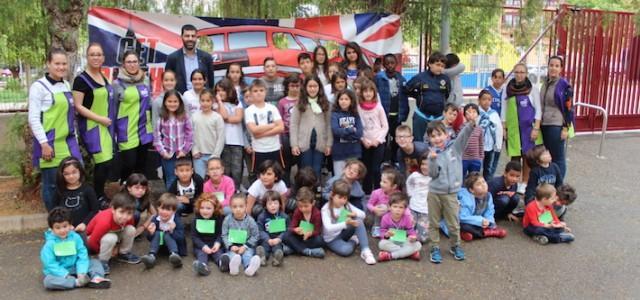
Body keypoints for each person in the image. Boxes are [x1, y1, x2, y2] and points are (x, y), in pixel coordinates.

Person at [29, 48, 81, 211]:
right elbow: (33, 118)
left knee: (73, 179)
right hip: (50, 143)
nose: (61, 67)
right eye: (57, 63)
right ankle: (55, 220)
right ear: (48, 64)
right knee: (52, 184)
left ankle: (69, 217)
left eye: (64, 64)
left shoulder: (65, 84)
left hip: (69, 141)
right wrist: (44, 144)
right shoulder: (38, 87)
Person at [425, 116, 477, 264]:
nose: (437, 139)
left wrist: (471, 123)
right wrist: (433, 160)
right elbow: (432, 174)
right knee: (434, 222)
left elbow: (464, 136)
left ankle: (455, 246)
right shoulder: (431, 155)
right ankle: (434, 247)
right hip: (434, 193)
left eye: (439, 134)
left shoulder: (455, 149)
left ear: (446, 135)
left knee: (453, 223)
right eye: (433, 136)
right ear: (429, 139)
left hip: (451, 193)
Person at [72, 43, 116, 202]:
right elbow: (78, 106)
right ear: (87, 57)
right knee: (103, 162)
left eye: (99, 54)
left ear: (103, 57)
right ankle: (97, 196)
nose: (96, 57)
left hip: (106, 126)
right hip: (92, 127)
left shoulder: (104, 76)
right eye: (92, 54)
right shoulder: (80, 80)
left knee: (107, 162)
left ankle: (99, 193)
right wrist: (99, 119)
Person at [41, 207, 110, 290]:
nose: (62, 230)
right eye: (58, 228)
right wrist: (65, 274)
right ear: (52, 229)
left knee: (95, 262)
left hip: (76, 266)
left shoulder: (76, 237)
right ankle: (76, 282)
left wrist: (81, 272)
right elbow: (50, 264)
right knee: (48, 281)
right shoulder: (50, 244)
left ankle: (97, 278)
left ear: (70, 225)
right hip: (60, 271)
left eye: (65, 226)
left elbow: (82, 254)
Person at [113, 50, 153, 182]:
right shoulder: (117, 84)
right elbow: (113, 109)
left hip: (144, 129)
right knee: (129, 164)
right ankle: (125, 190)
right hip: (127, 130)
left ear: (139, 63)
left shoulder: (146, 79)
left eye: (135, 61)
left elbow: (150, 102)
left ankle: (140, 195)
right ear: (123, 64)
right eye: (129, 62)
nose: (132, 65)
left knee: (141, 166)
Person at [502, 63, 542, 194]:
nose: (519, 75)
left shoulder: (533, 89)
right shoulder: (507, 89)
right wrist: (504, 128)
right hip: (513, 129)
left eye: (522, 72)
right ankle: (513, 181)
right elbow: (504, 109)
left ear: (526, 74)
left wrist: (536, 128)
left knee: (527, 156)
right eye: (517, 72)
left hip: (528, 129)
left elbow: (538, 110)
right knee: (514, 156)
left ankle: (525, 182)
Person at [321, 179, 376, 265]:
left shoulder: (346, 205)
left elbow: (363, 215)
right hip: (332, 239)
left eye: (345, 198)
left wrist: (353, 213)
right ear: (332, 195)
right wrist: (345, 223)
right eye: (339, 197)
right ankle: (354, 240)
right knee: (346, 250)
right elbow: (328, 228)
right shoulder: (326, 209)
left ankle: (365, 250)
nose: (342, 201)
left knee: (358, 220)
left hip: (344, 232)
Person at [86, 192, 140, 274]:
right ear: (113, 209)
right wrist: (104, 251)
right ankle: (102, 261)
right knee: (110, 238)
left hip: (113, 233)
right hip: (92, 239)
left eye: (129, 213)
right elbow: (92, 242)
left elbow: (128, 229)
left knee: (131, 229)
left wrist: (117, 247)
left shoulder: (128, 219)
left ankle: (123, 253)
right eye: (121, 212)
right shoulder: (105, 221)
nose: (125, 217)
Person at [290, 76, 333, 177]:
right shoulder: (300, 104)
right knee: (306, 169)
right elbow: (294, 124)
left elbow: (328, 125)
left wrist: (328, 144)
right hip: (304, 142)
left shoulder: (325, 104)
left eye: (315, 86)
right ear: (305, 88)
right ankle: (305, 192)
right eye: (310, 86)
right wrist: (294, 144)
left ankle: (316, 191)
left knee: (317, 169)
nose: (312, 89)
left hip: (320, 142)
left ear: (319, 87)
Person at [540, 55, 574, 178]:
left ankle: (559, 185)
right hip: (544, 123)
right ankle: (550, 183)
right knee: (547, 155)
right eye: (551, 65)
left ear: (561, 69)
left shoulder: (564, 85)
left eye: (556, 66)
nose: (553, 68)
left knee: (558, 157)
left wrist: (566, 128)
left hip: (556, 125)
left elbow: (569, 108)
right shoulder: (546, 83)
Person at [405, 51, 451, 141]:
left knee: (438, 142)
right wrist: (418, 96)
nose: (440, 68)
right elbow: (406, 89)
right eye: (438, 65)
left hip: (438, 117)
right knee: (419, 143)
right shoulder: (420, 77)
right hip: (421, 116)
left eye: (442, 66)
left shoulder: (445, 79)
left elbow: (446, 94)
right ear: (430, 64)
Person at [153, 89, 193, 189]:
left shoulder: (184, 117)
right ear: (165, 103)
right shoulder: (161, 119)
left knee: (184, 178)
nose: (172, 104)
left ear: (180, 103)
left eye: (175, 101)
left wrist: (185, 150)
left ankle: (184, 200)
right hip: (168, 155)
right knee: (170, 178)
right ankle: (172, 202)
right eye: (169, 101)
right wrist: (163, 152)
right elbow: (157, 138)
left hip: (182, 154)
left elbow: (190, 135)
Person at [244, 79, 285, 174]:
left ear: (265, 92)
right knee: (261, 175)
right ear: (250, 93)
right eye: (255, 91)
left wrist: (260, 134)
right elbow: (254, 130)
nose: (258, 93)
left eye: (261, 90)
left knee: (276, 174)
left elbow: (281, 127)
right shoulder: (249, 110)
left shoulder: (272, 108)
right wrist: (272, 125)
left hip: (274, 148)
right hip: (259, 149)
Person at [375, 54, 409, 163]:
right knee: (383, 139)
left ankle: (395, 160)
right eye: (387, 63)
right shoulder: (379, 78)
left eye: (392, 63)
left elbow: (404, 98)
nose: (390, 65)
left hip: (397, 115)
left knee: (397, 139)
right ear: (384, 65)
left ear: (396, 64)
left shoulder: (401, 79)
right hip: (383, 115)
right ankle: (383, 161)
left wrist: (404, 114)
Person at [357, 79, 389, 194]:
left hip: (378, 143)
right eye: (365, 91)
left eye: (371, 91)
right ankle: (366, 193)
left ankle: (378, 192)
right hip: (365, 143)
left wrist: (378, 140)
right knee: (366, 169)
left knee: (376, 169)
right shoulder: (358, 107)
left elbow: (385, 126)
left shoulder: (379, 107)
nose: (368, 93)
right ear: (361, 93)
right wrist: (363, 139)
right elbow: (357, 126)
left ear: (374, 93)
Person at [455, 172, 507, 241]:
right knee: (463, 226)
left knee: (483, 224)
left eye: (483, 182)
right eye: (478, 184)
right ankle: (487, 233)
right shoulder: (466, 199)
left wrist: (489, 221)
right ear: (471, 190)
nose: (483, 185)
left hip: (476, 221)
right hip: (461, 221)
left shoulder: (488, 195)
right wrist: (480, 220)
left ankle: (467, 234)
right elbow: (462, 217)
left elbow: (490, 211)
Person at [140, 193, 187, 269]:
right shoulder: (155, 219)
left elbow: (181, 238)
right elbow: (150, 238)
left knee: (167, 233)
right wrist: (151, 232)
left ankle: (175, 256)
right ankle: (151, 256)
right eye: (162, 208)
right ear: (158, 208)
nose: (164, 212)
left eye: (168, 209)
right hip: (162, 248)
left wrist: (172, 231)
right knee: (158, 233)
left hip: (175, 246)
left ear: (174, 211)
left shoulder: (176, 221)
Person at [164, 24, 214, 94]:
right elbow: (168, 82)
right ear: (181, 37)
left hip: (202, 100)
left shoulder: (207, 57)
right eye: (187, 36)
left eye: (193, 36)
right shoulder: (172, 58)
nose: (190, 39)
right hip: (180, 100)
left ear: (196, 37)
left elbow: (211, 83)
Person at [54, 157, 100, 231]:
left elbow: (95, 210)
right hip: (65, 230)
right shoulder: (60, 191)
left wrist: (84, 223)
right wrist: (66, 225)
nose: (71, 176)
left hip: (85, 228)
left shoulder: (88, 189)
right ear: (62, 175)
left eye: (74, 172)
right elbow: (56, 211)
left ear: (80, 171)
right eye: (66, 174)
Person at [221, 194, 262, 276]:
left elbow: (255, 235)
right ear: (230, 207)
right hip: (232, 245)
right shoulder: (227, 220)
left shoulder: (250, 221)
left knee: (247, 255)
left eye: (241, 206)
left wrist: (245, 246)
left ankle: (249, 268)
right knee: (232, 255)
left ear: (246, 206)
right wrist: (231, 246)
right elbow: (224, 235)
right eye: (234, 207)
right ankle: (233, 268)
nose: (238, 209)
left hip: (246, 245)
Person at [217, 78, 246, 189]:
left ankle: (237, 189)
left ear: (229, 90)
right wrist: (220, 102)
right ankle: (228, 190)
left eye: (223, 90)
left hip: (237, 141)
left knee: (237, 168)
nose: (220, 93)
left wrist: (226, 119)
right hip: (223, 142)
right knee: (226, 169)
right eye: (218, 91)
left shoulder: (237, 104)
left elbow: (238, 118)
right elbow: (223, 116)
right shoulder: (216, 105)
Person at [377, 192, 422, 262]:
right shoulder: (385, 218)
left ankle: (390, 256)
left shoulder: (407, 218)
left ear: (405, 209)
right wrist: (386, 235)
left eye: (401, 207)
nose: (398, 209)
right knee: (381, 244)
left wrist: (413, 237)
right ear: (389, 207)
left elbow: (411, 230)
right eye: (395, 206)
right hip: (391, 240)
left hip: (404, 240)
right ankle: (409, 253)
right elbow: (382, 231)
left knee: (418, 245)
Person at [282, 187, 325, 258]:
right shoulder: (297, 212)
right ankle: (307, 251)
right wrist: (295, 230)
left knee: (320, 240)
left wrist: (310, 233)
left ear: (313, 203)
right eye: (300, 206)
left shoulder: (317, 214)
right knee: (286, 236)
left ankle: (293, 249)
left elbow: (317, 231)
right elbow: (291, 227)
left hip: (309, 238)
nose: (303, 209)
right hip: (299, 236)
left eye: (306, 206)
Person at [191, 193, 227, 276]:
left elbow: (221, 233)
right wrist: (203, 246)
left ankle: (223, 264)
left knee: (218, 254)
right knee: (201, 254)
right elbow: (194, 236)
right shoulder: (195, 220)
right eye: (202, 208)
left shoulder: (219, 219)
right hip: (201, 245)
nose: (205, 211)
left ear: (214, 209)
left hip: (214, 244)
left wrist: (218, 243)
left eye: (208, 208)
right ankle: (203, 267)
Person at [192, 88, 225, 178]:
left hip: (213, 154)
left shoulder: (217, 117)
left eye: (208, 101)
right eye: (202, 100)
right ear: (199, 101)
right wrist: (194, 150)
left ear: (213, 101)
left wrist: (216, 155)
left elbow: (221, 137)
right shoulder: (194, 116)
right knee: (200, 179)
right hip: (199, 155)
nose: (205, 103)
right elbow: (191, 135)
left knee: (215, 179)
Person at [331, 89, 363, 177]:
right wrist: (351, 130)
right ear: (337, 101)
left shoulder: (355, 114)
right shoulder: (334, 115)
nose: (343, 101)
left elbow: (359, 133)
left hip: (353, 152)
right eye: (341, 99)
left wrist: (344, 134)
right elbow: (336, 131)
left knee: (352, 177)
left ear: (351, 101)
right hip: (339, 153)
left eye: (346, 99)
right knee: (339, 178)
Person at [277, 74, 302, 185]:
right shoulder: (282, 102)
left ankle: (300, 186)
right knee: (286, 163)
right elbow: (279, 121)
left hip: (301, 135)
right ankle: (286, 187)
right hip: (286, 135)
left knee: (301, 162)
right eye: (292, 86)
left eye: (297, 86)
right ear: (287, 86)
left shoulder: (303, 100)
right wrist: (280, 140)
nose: (295, 88)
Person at [255, 191, 289, 267]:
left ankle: (277, 259)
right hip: (266, 239)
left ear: (280, 204)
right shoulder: (262, 216)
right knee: (264, 247)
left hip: (278, 239)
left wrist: (279, 238)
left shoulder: (284, 216)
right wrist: (267, 239)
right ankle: (262, 257)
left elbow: (287, 230)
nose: (273, 206)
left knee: (278, 248)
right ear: (265, 205)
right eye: (270, 204)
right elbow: (259, 230)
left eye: (275, 203)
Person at [367, 168, 404, 238]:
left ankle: (396, 231)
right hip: (378, 215)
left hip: (391, 213)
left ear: (394, 186)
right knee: (379, 213)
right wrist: (374, 209)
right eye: (381, 181)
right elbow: (369, 204)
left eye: (384, 182)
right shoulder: (376, 193)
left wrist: (388, 209)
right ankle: (377, 228)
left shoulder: (398, 194)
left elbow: (401, 206)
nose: (381, 183)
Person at [485, 68, 506, 178]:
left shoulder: (505, 92)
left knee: (497, 150)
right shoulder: (487, 90)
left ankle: (491, 174)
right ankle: (486, 174)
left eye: (500, 77)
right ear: (492, 78)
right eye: (495, 77)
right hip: (489, 127)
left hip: (501, 127)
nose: (498, 80)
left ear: (504, 79)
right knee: (488, 151)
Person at [477, 90, 503, 180]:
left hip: (490, 146)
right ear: (479, 100)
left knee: (488, 167)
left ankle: (487, 186)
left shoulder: (494, 114)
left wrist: (498, 145)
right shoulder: (476, 113)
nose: (486, 101)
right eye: (484, 99)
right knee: (477, 167)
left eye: (489, 99)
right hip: (478, 147)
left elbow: (499, 130)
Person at [406, 153, 431, 243]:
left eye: (428, 164)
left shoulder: (435, 177)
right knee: (407, 229)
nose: (425, 167)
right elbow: (409, 182)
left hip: (426, 211)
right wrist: (410, 193)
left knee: (423, 237)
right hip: (413, 207)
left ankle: (414, 240)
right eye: (423, 164)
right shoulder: (415, 175)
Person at [461, 103, 484, 177]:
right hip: (463, 158)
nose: (471, 114)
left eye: (474, 112)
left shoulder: (479, 128)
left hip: (475, 158)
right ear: (464, 115)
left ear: (478, 114)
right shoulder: (461, 127)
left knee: (474, 178)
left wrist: (481, 157)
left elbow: (481, 143)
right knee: (461, 177)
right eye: (469, 112)